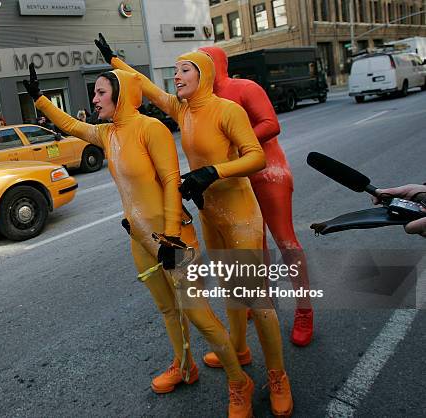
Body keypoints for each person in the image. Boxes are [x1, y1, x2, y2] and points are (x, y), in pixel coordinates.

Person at [23, 63, 252, 417]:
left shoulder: (152, 129)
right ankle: (185, 365)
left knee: (199, 315)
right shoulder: (107, 134)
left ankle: (239, 382)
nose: (94, 99)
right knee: (166, 309)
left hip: (173, 239)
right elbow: (70, 125)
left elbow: (172, 182)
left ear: (122, 94)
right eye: (94, 93)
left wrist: (171, 237)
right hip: (139, 237)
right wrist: (39, 98)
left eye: (101, 92)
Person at [96, 34, 293, 417]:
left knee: (255, 296)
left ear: (202, 75)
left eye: (184, 70)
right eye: (175, 71)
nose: (176, 77)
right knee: (230, 290)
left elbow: (255, 157)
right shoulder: (182, 110)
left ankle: (278, 375)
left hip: (241, 214)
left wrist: (212, 172)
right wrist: (115, 59)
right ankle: (239, 348)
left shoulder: (226, 110)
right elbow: (147, 88)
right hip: (209, 215)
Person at [197, 45, 314, 348]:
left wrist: (238, 140)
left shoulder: (244, 87)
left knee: (286, 242)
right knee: (254, 248)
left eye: (202, 61)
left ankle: (304, 309)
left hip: (269, 173)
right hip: (239, 182)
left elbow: (271, 124)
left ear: (216, 64)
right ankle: (267, 305)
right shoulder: (203, 102)